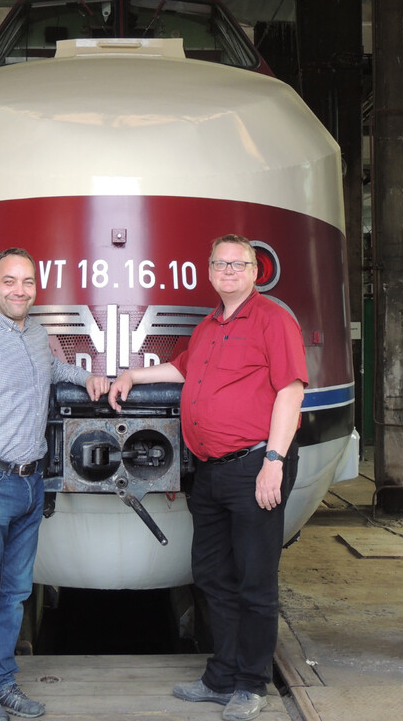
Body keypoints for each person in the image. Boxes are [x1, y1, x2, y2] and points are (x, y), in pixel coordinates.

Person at [107, 234, 306, 721]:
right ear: (210, 270)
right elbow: (182, 370)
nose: (229, 271)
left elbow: (291, 391)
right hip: (212, 472)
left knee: (254, 581)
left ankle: (251, 684)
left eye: (239, 265)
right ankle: (221, 676)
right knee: (214, 576)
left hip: (255, 466)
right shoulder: (209, 326)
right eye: (221, 263)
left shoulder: (273, 320)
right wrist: (133, 374)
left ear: (255, 271)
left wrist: (274, 462)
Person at [0, 247, 109, 721]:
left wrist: (90, 377)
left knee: (14, 594)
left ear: (35, 288)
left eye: (27, 282)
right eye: (9, 281)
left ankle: (4, 681)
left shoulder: (36, 334)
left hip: (32, 485)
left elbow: (54, 372)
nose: (19, 290)